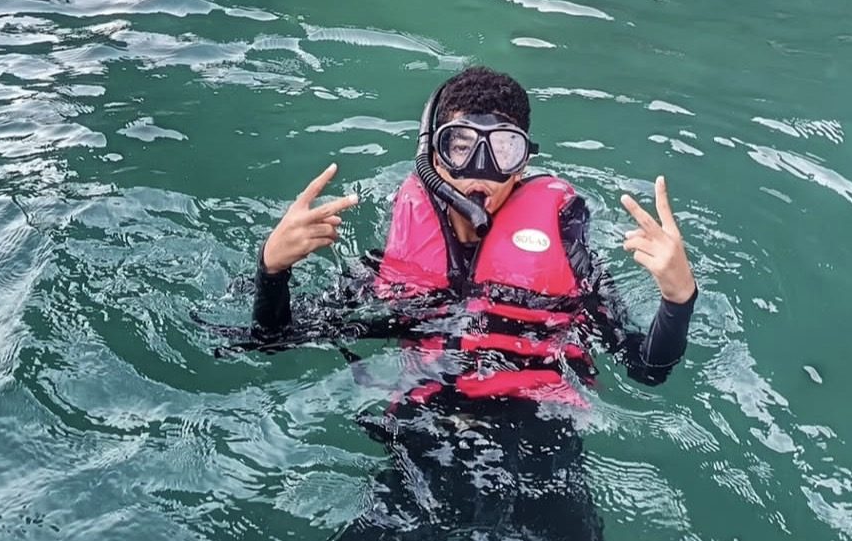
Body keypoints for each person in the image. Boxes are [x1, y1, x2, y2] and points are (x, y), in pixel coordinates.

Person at [252, 66, 698, 541]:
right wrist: (273, 270)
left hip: (541, 444)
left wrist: (678, 297)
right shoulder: (393, 264)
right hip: (427, 440)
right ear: (434, 157)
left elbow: (647, 367)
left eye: (503, 148)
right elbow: (271, 341)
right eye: (461, 145)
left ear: (522, 163)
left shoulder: (567, 252)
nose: (479, 170)